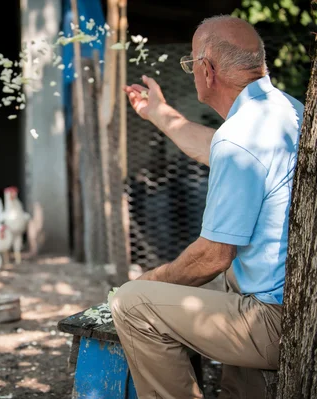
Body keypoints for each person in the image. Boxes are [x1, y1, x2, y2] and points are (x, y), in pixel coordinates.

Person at [110, 15, 305, 399]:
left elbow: (212, 256)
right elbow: (216, 147)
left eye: (190, 65)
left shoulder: (239, 139)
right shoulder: (286, 109)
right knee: (232, 278)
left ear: (207, 70)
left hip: (278, 323)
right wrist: (159, 114)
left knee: (131, 304)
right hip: (294, 300)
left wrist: (147, 282)